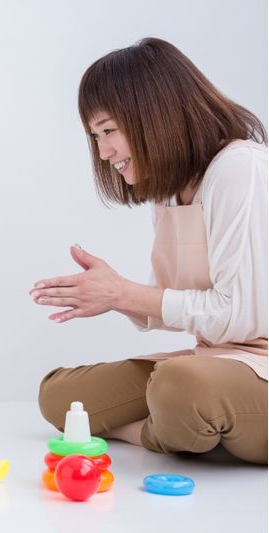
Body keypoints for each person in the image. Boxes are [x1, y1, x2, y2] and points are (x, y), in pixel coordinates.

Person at [32, 37, 267, 464]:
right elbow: (177, 304)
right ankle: (181, 429)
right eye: (95, 136)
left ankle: (173, 425)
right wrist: (110, 295)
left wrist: (122, 293)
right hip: (217, 358)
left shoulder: (239, 168)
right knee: (61, 397)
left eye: (108, 131)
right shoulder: (170, 189)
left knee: (179, 389)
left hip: (253, 366)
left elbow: (240, 315)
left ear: (152, 115)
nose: (104, 153)